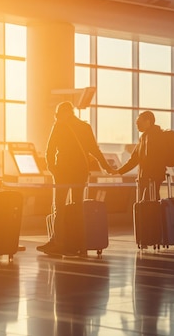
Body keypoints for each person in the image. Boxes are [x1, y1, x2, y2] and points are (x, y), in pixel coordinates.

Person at [38, 101, 116, 255]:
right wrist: (107, 167)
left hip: (62, 172)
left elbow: (50, 149)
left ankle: (58, 242)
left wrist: (52, 168)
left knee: (59, 206)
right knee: (77, 207)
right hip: (80, 172)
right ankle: (79, 243)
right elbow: (94, 149)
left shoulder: (60, 126)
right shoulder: (84, 127)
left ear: (61, 113)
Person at [117, 111, 167, 201]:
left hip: (151, 179)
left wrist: (149, 177)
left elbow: (144, 159)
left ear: (148, 122)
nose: (137, 125)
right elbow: (135, 159)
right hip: (148, 178)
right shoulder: (144, 138)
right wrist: (119, 171)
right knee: (149, 203)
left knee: (149, 204)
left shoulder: (153, 137)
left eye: (139, 122)